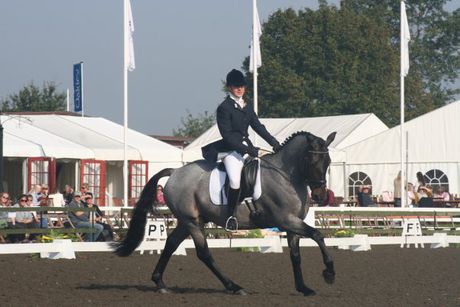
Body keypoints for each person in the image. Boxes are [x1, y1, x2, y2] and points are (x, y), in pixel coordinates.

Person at [202, 69, 280, 231]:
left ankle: (258, 209)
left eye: (242, 86)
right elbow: (228, 136)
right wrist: (247, 151)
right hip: (230, 150)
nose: (239, 89)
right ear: (229, 87)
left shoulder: (247, 104)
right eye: (236, 86)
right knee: (235, 180)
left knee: (261, 172)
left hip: (246, 146)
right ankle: (230, 216)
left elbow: (258, 127)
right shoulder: (224, 108)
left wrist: (274, 143)